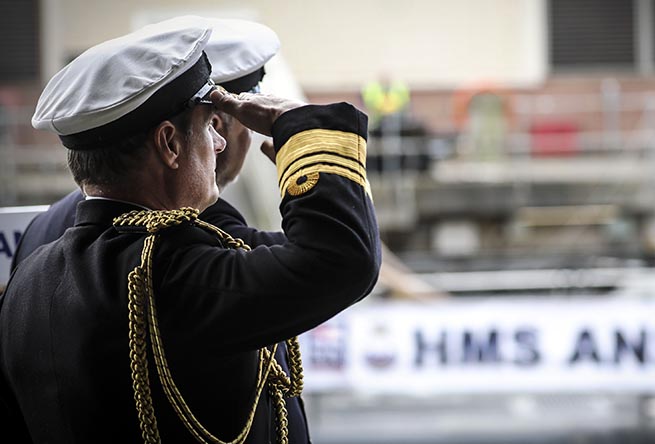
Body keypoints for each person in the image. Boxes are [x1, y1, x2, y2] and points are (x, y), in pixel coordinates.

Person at [0, 16, 380, 444]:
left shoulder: (27, 279)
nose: (219, 143)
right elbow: (342, 259)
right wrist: (311, 140)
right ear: (170, 144)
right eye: (206, 127)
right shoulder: (171, 272)